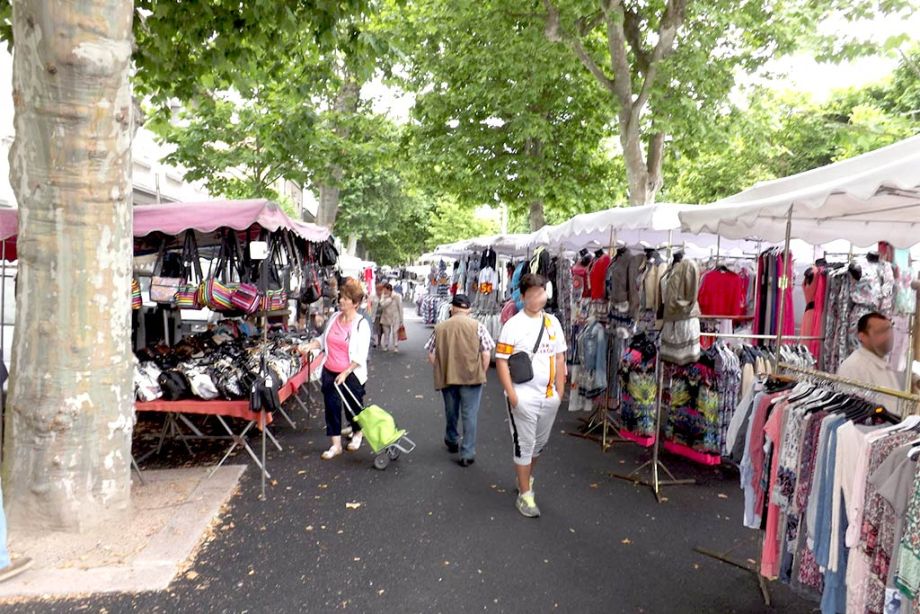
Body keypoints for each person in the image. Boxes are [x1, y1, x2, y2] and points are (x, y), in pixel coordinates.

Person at [495, 274, 567, 518]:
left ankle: (523, 477)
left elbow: (559, 357)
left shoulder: (553, 323)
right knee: (524, 444)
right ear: (523, 296)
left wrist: (560, 391)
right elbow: (502, 361)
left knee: (539, 444)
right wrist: (513, 395)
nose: (538, 298)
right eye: (532, 293)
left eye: (541, 292)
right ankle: (525, 494)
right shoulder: (513, 325)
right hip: (523, 394)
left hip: (549, 397)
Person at [300, 277, 372, 460]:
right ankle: (336, 445)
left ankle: (357, 432)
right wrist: (311, 345)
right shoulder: (334, 318)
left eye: (346, 299)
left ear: (355, 303)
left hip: (351, 373)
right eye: (341, 297)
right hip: (330, 371)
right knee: (332, 407)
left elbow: (361, 354)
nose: (341, 301)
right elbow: (324, 339)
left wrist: (346, 372)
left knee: (353, 408)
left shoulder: (361, 324)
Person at [425, 294, 495, 467]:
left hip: (448, 376)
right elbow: (486, 352)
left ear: (452, 308)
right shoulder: (477, 326)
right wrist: (482, 372)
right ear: (469, 309)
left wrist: (440, 368)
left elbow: (431, 353)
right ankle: (467, 453)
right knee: (470, 415)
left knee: (451, 411)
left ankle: (451, 438)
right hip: (472, 378)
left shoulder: (441, 327)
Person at [838, 312, 901, 406]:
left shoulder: (882, 362)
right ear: (862, 336)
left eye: (889, 330)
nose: (888, 336)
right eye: (880, 331)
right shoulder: (854, 367)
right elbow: (855, 412)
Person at [377, 283, 405, 353]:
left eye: (385, 289)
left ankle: (395, 346)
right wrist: (390, 299)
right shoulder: (383, 296)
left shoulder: (397, 296)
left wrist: (401, 319)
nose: (384, 291)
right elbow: (382, 305)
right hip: (386, 316)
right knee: (386, 333)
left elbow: (400, 308)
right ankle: (386, 345)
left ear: (388, 289)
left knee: (395, 332)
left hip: (395, 316)